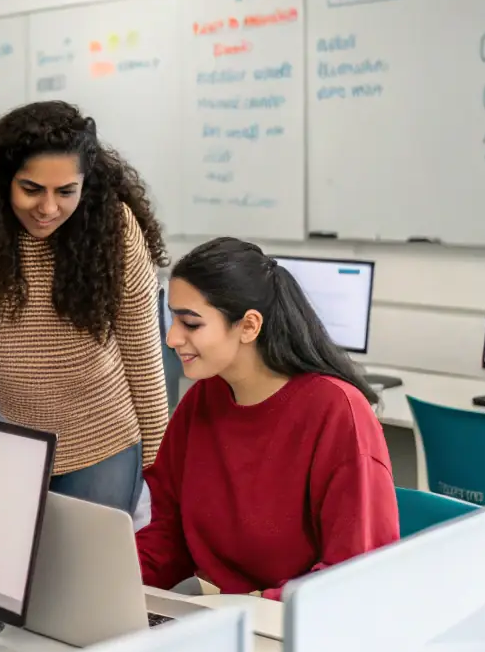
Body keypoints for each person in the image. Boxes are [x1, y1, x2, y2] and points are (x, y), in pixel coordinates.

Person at [0, 101, 168, 513]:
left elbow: (143, 354)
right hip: (8, 433)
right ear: (1, 180)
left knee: (80, 571)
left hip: (102, 435)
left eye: (66, 192)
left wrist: (162, 470)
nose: (48, 209)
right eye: (31, 189)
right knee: (7, 568)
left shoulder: (113, 229)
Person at [137, 238, 399, 600]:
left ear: (248, 326)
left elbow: (352, 576)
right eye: (172, 319)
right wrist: (113, 580)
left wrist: (255, 607)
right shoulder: (203, 399)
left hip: (304, 627)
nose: (171, 338)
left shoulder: (337, 412)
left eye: (191, 324)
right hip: (234, 617)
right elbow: (169, 535)